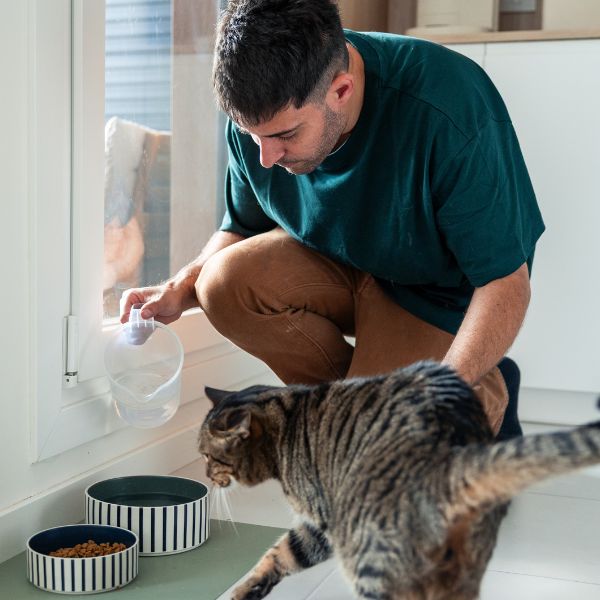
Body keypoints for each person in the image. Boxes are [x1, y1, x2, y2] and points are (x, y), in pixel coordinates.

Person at [121, 0, 545, 439]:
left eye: (286, 135)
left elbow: (505, 284)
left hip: (434, 297)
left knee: (380, 453)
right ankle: (360, 420)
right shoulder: (260, 120)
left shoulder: (447, 107)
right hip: (340, 263)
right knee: (218, 283)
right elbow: (241, 228)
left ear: (341, 90)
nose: (265, 158)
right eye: (253, 136)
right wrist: (179, 288)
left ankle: (480, 390)